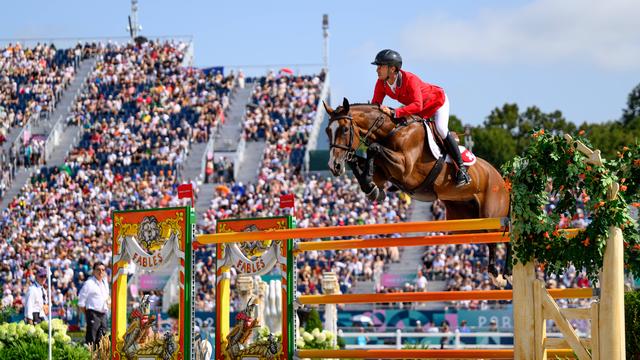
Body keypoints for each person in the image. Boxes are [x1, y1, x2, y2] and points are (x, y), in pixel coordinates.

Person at [371, 49, 471, 187]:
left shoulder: (410, 79)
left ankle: (461, 169)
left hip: (437, 102)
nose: (377, 70)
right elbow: (375, 106)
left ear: (392, 68)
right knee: (402, 131)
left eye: (380, 66)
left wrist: (395, 112)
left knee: (441, 129)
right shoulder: (381, 83)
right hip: (419, 109)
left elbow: (417, 105)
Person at [78, 262, 110, 346]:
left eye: (103, 270)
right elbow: (81, 302)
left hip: (103, 314)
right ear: (93, 271)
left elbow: (106, 298)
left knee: (103, 340)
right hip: (93, 313)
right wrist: (88, 314)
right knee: (91, 340)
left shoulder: (105, 283)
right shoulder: (89, 283)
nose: (101, 272)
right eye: (98, 269)